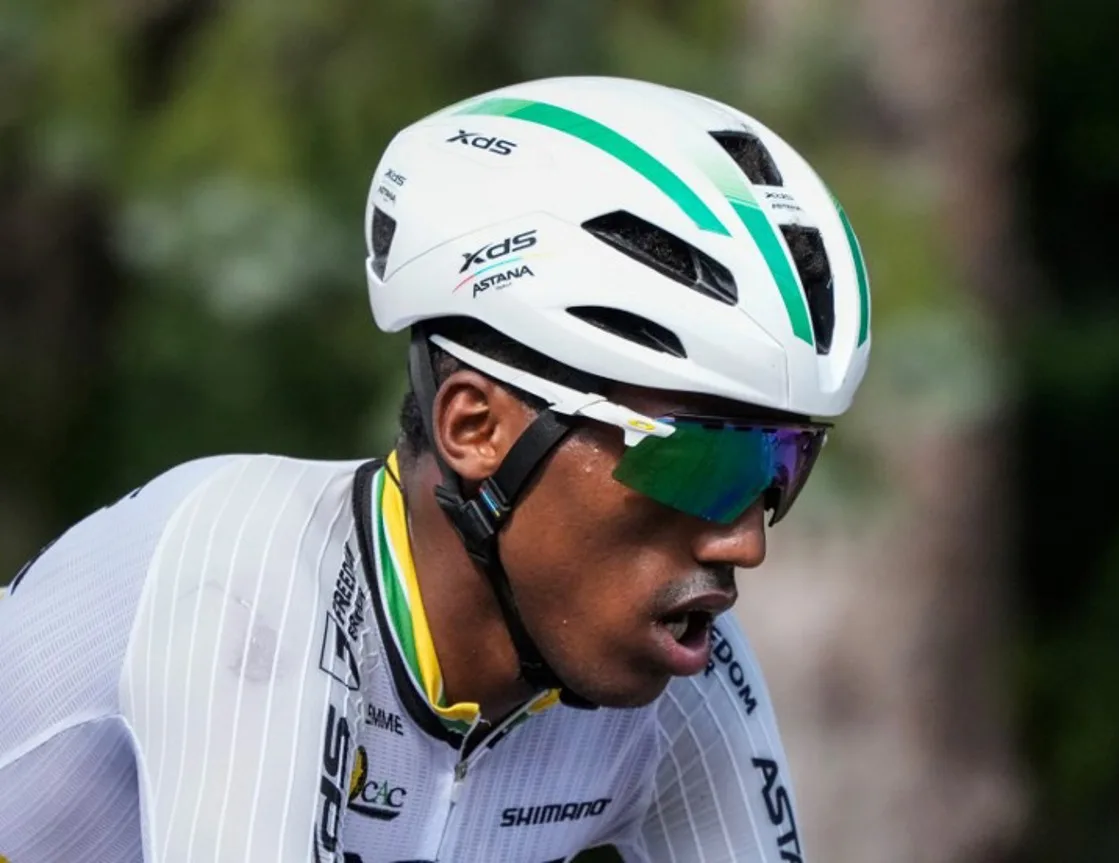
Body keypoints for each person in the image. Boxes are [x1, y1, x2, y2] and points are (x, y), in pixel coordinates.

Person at [0, 75, 870, 863]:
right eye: (703, 459)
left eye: (783, 462)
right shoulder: (245, 579)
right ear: (476, 426)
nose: (745, 540)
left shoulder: (677, 667)